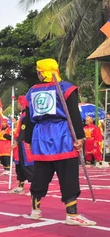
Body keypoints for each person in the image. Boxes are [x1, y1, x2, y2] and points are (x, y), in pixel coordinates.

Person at [23, 59, 95, 226]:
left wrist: (28, 140)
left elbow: (28, 118)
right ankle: (72, 214)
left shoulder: (32, 91)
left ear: (43, 72)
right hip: (62, 134)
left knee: (41, 173)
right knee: (68, 173)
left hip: (40, 136)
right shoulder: (66, 88)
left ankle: (35, 210)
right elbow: (74, 115)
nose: (38, 74)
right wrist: (79, 137)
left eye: (39, 71)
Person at [9, 96, 34, 194]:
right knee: (19, 165)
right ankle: (20, 186)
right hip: (20, 144)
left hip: (25, 144)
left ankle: (34, 188)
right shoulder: (22, 115)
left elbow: (25, 130)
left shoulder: (27, 115)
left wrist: (17, 142)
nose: (18, 105)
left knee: (28, 165)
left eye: (19, 103)